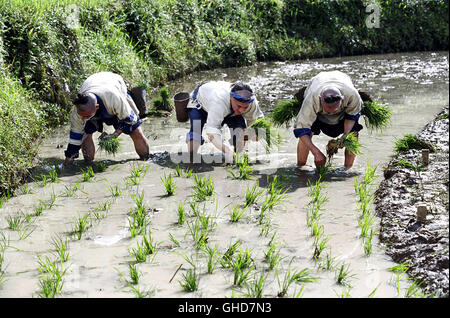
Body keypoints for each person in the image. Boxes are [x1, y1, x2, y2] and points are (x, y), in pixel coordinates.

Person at [64, 72, 150, 165]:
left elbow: (128, 119)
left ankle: (145, 159)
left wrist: (114, 134)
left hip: (114, 85)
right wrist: (68, 161)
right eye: (82, 116)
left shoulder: (114, 97)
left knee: (135, 131)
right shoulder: (77, 112)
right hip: (93, 83)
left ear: (96, 107)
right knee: (85, 135)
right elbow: (75, 138)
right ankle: (88, 164)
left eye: (87, 116)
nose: (84, 118)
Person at [293, 70, 363, 169]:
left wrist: (346, 134)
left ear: (342, 99)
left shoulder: (352, 95)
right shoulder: (311, 99)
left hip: (342, 112)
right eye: (328, 109)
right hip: (318, 112)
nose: (331, 113)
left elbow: (352, 116)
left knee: (353, 134)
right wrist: (316, 152)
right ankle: (300, 167)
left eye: (334, 109)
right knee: (308, 133)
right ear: (320, 98)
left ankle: (348, 169)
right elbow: (301, 129)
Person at [186, 80, 264, 163]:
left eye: (245, 108)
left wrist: (254, 135)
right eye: (239, 106)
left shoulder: (251, 103)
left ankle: (238, 156)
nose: (241, 110)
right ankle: (192, 158)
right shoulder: (218, 101)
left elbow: (256, 123)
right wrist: (226, 150)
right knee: (195, 132)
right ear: (231, 97)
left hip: (230, 111)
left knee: (240, 131)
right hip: (200, 105)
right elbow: (212, 132)